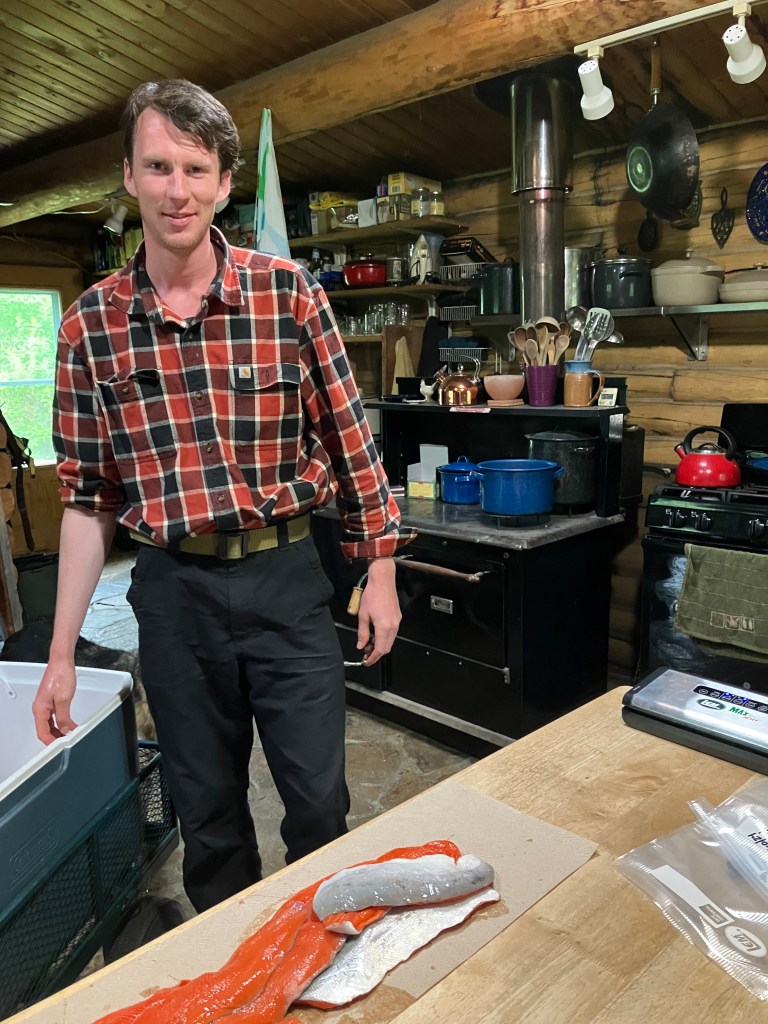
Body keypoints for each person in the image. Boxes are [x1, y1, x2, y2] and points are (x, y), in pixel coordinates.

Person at [31, 78, 415, 913]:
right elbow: (88, 499)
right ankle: (236, 971)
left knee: (319, 808)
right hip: (174, 597)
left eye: (195, 169)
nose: (177, 190)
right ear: (128, 175)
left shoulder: (289, 293)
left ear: (224, 181)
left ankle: (322, 956)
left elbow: (351, 439)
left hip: (288, 582)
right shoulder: (89, 327)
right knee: (208, 822)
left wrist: (380, 567)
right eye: (158, 166)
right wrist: (60, 654)